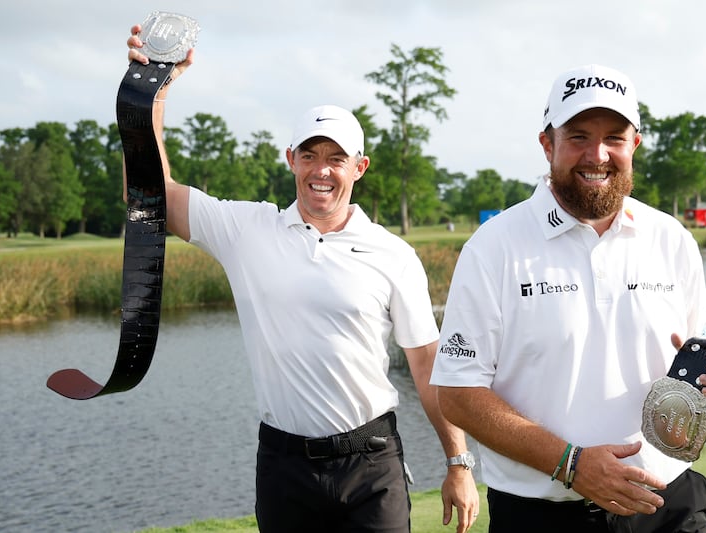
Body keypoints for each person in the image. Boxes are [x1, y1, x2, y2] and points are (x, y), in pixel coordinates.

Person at [125, 25, 479, 533]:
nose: (322, 170)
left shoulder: (393, 254)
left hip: (371, 463)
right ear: (291, 159)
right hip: (284, 464)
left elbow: (426, 367)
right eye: (309, 155)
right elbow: (149, 192)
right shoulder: (248, 230)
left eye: (336, 158)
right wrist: (151, 90)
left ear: (359, 167)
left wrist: (458, 463)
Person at [430, 64, 706, 532]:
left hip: (668, 505)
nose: (597, 154)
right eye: (578, 136)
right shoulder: (494, 247)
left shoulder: (671, 239)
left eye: (615, 137)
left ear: (634, 145)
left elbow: (694, 354)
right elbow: (456, 393)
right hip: (542, 516)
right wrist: (573, 464)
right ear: (547, 143)